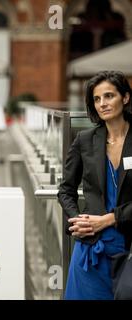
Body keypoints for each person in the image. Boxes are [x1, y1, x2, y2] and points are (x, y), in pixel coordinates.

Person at [58, 70, 132, 299]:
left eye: (109, 96)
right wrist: (77, 219)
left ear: (126, 98)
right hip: (90, 248)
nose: (102, 104)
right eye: (96, 99)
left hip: (128, 247)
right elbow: (65, 190)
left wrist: (110, 219)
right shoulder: (85, 140)